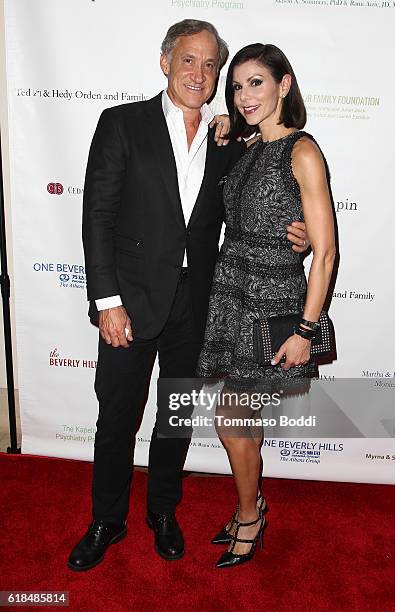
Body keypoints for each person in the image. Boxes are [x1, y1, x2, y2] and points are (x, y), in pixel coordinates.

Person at [68, 22, 309, 571]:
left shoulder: (229, 140)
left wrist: (303, 232)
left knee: (174, 416)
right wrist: (107, 301)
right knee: (117, 415)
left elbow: (261, 200)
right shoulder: (122, 123)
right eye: (188, 61)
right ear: (165, 63)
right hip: (128, 302)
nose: (199, 74)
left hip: (198, 303)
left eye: (210, 65)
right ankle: (106, 518)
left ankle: (162, 511)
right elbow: (98, 216)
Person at [197, 43, 336, 568]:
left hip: (271, 299)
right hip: (232, 293)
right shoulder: (248, 145)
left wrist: (305, 329)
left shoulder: (302, 150)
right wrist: (226, 130)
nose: (244, 95)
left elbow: (324, 252)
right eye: (237, 86)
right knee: (239, 416)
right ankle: (248, 507)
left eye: (257, 82)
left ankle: (250, 515)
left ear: (284, 84)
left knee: (231, 417)